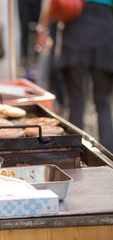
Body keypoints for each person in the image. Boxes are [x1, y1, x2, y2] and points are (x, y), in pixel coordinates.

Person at [36, 0, 113, 152]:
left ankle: (75, 154)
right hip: (104, 32)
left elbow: (52, 4)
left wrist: (42, 29)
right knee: (103, 102)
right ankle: (109, 158)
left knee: (76, 101)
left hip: (75, 33)